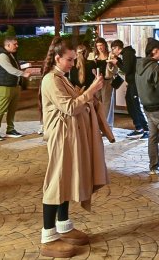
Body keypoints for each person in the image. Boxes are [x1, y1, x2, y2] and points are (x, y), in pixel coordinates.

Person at [38, 36, 108, 258]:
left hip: (68, 137)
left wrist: (88, 94)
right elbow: (69, 107)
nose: (72, 63)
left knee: (65, 179)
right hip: (60, 138)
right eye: (69, 60)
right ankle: (47, 237)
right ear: (57, 58)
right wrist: (91, 91)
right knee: (56, 182)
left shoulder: (61, 77)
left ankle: (63, 225)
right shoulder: (51, 79)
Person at [136, 38, 159, 175]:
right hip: (158, 107)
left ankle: (153, 166)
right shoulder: (155, 67)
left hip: (146, 106)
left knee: (153, 136)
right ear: (154, 51)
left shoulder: (139, 65)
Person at [0, 35, 33, 142]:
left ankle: (10, 129)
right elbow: (9, 69)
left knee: (12, 109)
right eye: (15, 44)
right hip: (5, 85)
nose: (17, 46)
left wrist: (23, 67)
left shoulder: (10, 55)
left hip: (13, 85)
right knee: (2, 109)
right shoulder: (2, 55)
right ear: (8, 45)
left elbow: (13, 68)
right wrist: (23, 74)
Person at [115, 40, 148, 138]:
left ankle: (146, 129)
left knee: (135, 105)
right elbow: (126, 66)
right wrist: (118, 60)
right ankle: (138, 127)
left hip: (134, 83)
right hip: (131, 83)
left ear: (117, 47)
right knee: (130, 104)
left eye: (113, 48)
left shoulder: (127, 53)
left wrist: (117, 62)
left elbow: (126, 69)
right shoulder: (125, 54)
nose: (113, 50)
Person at [91, 38, 117, 128]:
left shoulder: (110, 55)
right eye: (97, 46)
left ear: (105, 45)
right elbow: (92, 68)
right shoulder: (95, 56)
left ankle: (107, 125)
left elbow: (115, 69)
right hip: (98, 81)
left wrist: (110, 64)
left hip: (107, 81)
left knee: (107, 102)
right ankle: (98, 122)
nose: (99, 47)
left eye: (101, 45)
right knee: (97, 101)